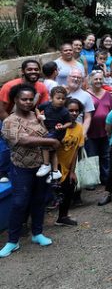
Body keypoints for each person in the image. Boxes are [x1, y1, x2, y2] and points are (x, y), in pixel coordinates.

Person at [0, 84, 62, 258]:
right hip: (21, 168)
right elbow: (23, 140)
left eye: (30, 99)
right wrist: (52, 143)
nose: (27, 102)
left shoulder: (37, 116)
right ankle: (12, 241)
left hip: (42, 167)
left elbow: (47, 132)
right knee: (19, 203)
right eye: (23, 99)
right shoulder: (9, 121)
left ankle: (37, 233)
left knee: (39, 200)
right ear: (15, 100)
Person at [54, 98, 85, 227]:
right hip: (55, 166)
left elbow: (76, 150)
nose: (73, 113)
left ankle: (62, 217)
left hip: (68, 165)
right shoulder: (59, 126)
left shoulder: (79, 128)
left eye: (76, 111)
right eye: (70, 110)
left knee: (69, 188)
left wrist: (72, 171)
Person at [35, 86, 71, 182]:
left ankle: (46, 164)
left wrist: (63, 126)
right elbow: (37, 108)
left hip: (57, 132)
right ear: (51, 98)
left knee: (45, 143)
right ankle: (55, 171)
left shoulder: (65, 111)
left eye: (63, 98)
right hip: (48, 129)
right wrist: (39, 115)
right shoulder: (46, 105)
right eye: (58, 98)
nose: (61, 101)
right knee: (53, 151)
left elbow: (69, 122)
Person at [85, 70, 112, 185]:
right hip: (91, 131)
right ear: (91, 80)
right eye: (96, 79)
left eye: (100, 79)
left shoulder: (107, 94)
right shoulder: (86, 94)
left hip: (106, 131)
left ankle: (106, 179)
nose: (98, 81)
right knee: (91, 156)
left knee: (106, 155)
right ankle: (92, 181)